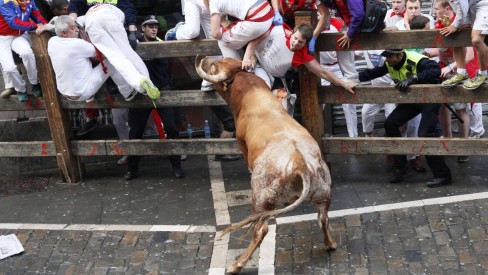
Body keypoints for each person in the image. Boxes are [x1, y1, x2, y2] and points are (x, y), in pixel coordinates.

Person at [359, 49, 452, 188]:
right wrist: (351, 79)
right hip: (413, 99)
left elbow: (435, 70)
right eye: (386, 56)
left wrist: (413, 78)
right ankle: (401, 166)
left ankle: (443, 175)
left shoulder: (415, 59)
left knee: (425, 133)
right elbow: (373, 73)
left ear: (400, 55)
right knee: (391, 123)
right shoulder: (389, 63)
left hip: (429, 98)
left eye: (390, 56)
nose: (387, 60)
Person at [164, 0, 240, 161]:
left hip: (212, 10)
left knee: (219, 42)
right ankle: (175, 32)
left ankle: (208, 80)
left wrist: (224, 20)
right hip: (197, 3)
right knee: (192, 31)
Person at [124, 15, 184, 180]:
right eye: (149, 26)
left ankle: (176, 166)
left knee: (171, 128)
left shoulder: (162, 45)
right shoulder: (134, 44)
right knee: (135, 132)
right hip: (142, 94)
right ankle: (132, 169)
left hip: (162, 91)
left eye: (155, 26)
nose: (153, 29)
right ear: (142, 28)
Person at [67, 2, 160, 100]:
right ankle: (147, 81)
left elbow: (74, 17)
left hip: (92, 22)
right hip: (110, 16)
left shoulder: (83, 18)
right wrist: (132, 31)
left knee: (115, 57)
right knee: (129, 53)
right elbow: (129, 10)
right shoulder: (117, 11)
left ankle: (137, 83)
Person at [242, 23, 356, 94]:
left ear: (305, 43)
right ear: (292, 33)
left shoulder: (302, 55)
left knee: (283, 110)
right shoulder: (278, 30)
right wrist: (246, 58)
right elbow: (255, 41)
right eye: (295, 38)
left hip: (276, 78)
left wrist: (343, 84)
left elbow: (322, 72)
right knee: (262, 90)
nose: (296, 43)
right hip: (256, 63)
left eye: (301, 42)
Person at [319, 16, 358, 137]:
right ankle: (317, 135)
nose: (319, 15)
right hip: (320, 67)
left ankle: (354, 136)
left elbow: (349, 41)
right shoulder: (313, 24)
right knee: (318, 102)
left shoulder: (338, 23)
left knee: (348, 100)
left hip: (337, 66)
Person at [0, 0, 47, 102]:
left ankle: (35, 83)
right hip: (3, 37)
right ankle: (21, 89)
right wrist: (34, 26)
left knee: (27, 53)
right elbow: (13, 22)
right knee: (9, 68)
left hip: (19, 35)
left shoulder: (30, 1)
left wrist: (45, 25)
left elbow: (36, 14)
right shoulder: (4, 1)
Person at [439, 0, 488, 90]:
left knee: (476, 39)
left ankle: (484, 74)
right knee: (457, 32)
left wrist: (456, 24)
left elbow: (461, 5)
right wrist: (461, 23)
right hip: (471, 6)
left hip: (484, 5)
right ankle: (461, 72)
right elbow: (458, 5)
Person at [209, 0, 274, 59]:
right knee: (230, 34)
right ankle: (241, 62)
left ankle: (235, 69)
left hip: (258, 20)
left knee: (222, 41)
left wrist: (223, 33)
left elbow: (215, 34)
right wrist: (223, 21)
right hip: (269, 12)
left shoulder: (213, 3)